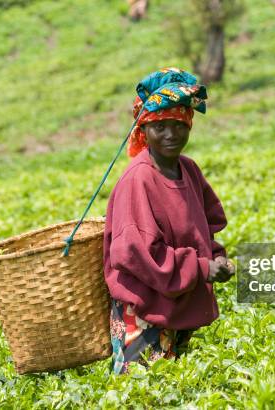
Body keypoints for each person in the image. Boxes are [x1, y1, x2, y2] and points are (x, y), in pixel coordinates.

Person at [103, 67, 235, 375]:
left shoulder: (188, 170)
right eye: (160, 126)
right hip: (145, 308)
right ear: (144, 129)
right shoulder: (139, 179)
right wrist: (202, 267)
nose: (171, 134)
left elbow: (204, 228)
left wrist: (216, 257)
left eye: (178, 124)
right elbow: (137, 253)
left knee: (178, 390)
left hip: (179, 301)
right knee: (143, 394)